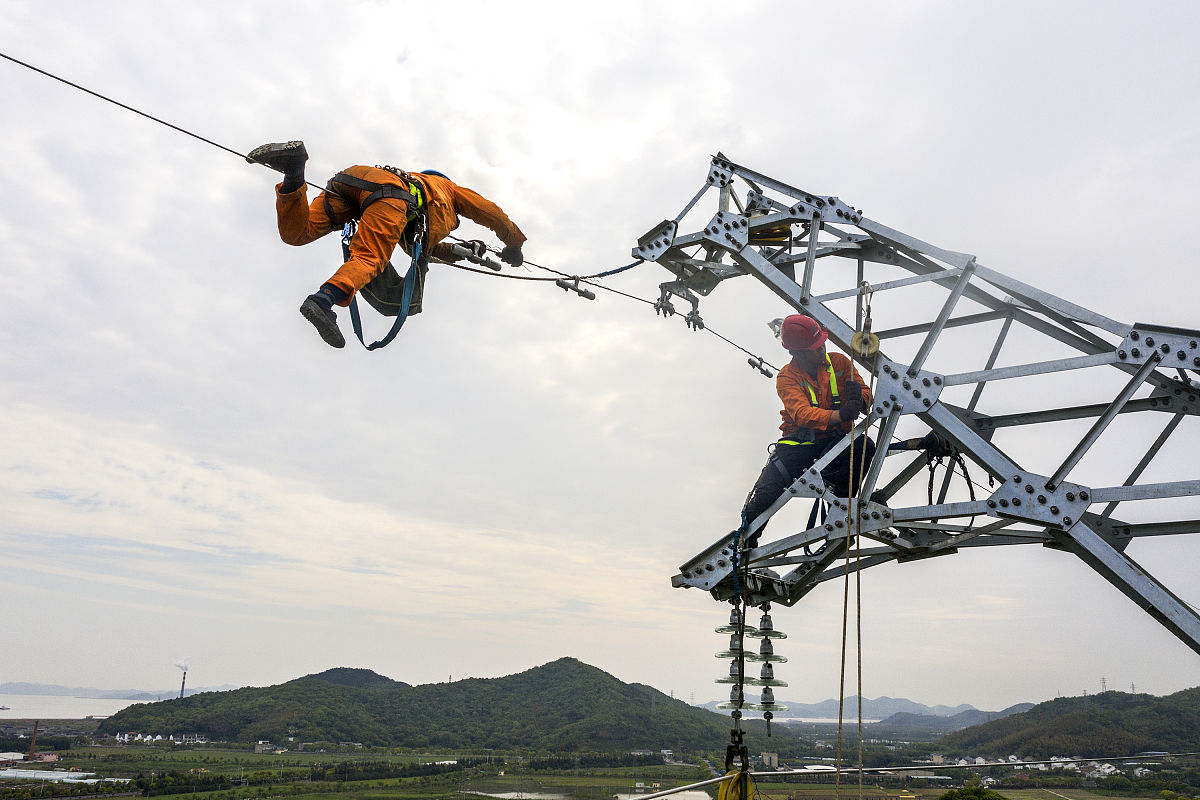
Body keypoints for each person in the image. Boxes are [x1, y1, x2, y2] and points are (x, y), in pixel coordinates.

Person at [246, 140, 527, 348]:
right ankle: (324, 300)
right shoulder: (448, 190)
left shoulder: (412, 209)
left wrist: (459, 252)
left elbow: (418, 246)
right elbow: (491, 212)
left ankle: (294, 173)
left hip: (353, 180)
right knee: (370, 258)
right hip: (388, 195)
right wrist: (514, 243)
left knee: (297, 233)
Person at [739, 314, 876, 548]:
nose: (822, 349)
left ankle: (841, 510)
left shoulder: (839, 363)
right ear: (797, 353)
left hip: (834, 442)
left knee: (864, 447)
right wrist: (840, 415)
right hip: (798, 444)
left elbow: (866, 392)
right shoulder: (787, 376)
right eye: (815, 348)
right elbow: (801, 413)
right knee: (765, 495)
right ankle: (744, 548)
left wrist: (860, 399)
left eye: (822, 344)